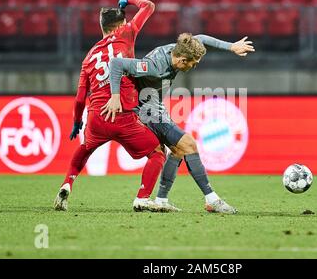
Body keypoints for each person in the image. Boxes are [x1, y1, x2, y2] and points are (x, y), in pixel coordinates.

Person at [101, 33, 255, 214]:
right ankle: (212, 199)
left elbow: (201, 38)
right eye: (193, 63)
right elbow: (117, 64)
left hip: (156, 108)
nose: (194, 66)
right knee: (189, 144)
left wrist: (231, 46)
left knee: (177, 150)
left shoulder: (180, 48)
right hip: (147, 112)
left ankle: (161, 199)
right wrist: (115, 97)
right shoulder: (154, 67)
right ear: (182, 60)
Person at [54, 0, 166, 212]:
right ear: (122, 24)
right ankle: (142, 197)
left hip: (97, 117)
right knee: (157, 152)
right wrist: (127, 0)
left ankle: (67, 183)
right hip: (124, 116)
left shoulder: (89, 56)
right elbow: (149, 6)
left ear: (102, 27)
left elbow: (79, 98)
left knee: (85, 147)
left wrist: (77, 121)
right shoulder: (127, 33)